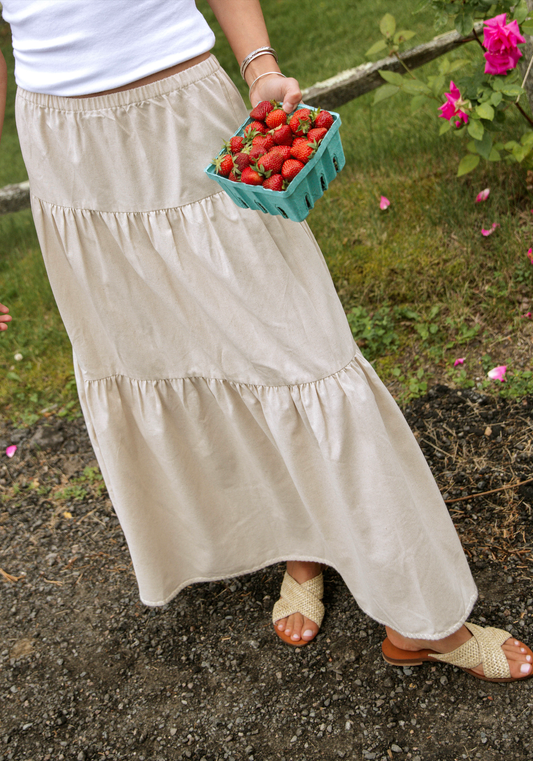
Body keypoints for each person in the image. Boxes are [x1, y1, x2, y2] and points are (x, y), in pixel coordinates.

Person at [0, 0, 531, 683]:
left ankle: (425, 621)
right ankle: (300, 545)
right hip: (66, 151)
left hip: (182, 110)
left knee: (300, 353)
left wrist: (259, 66)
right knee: (161, 353)